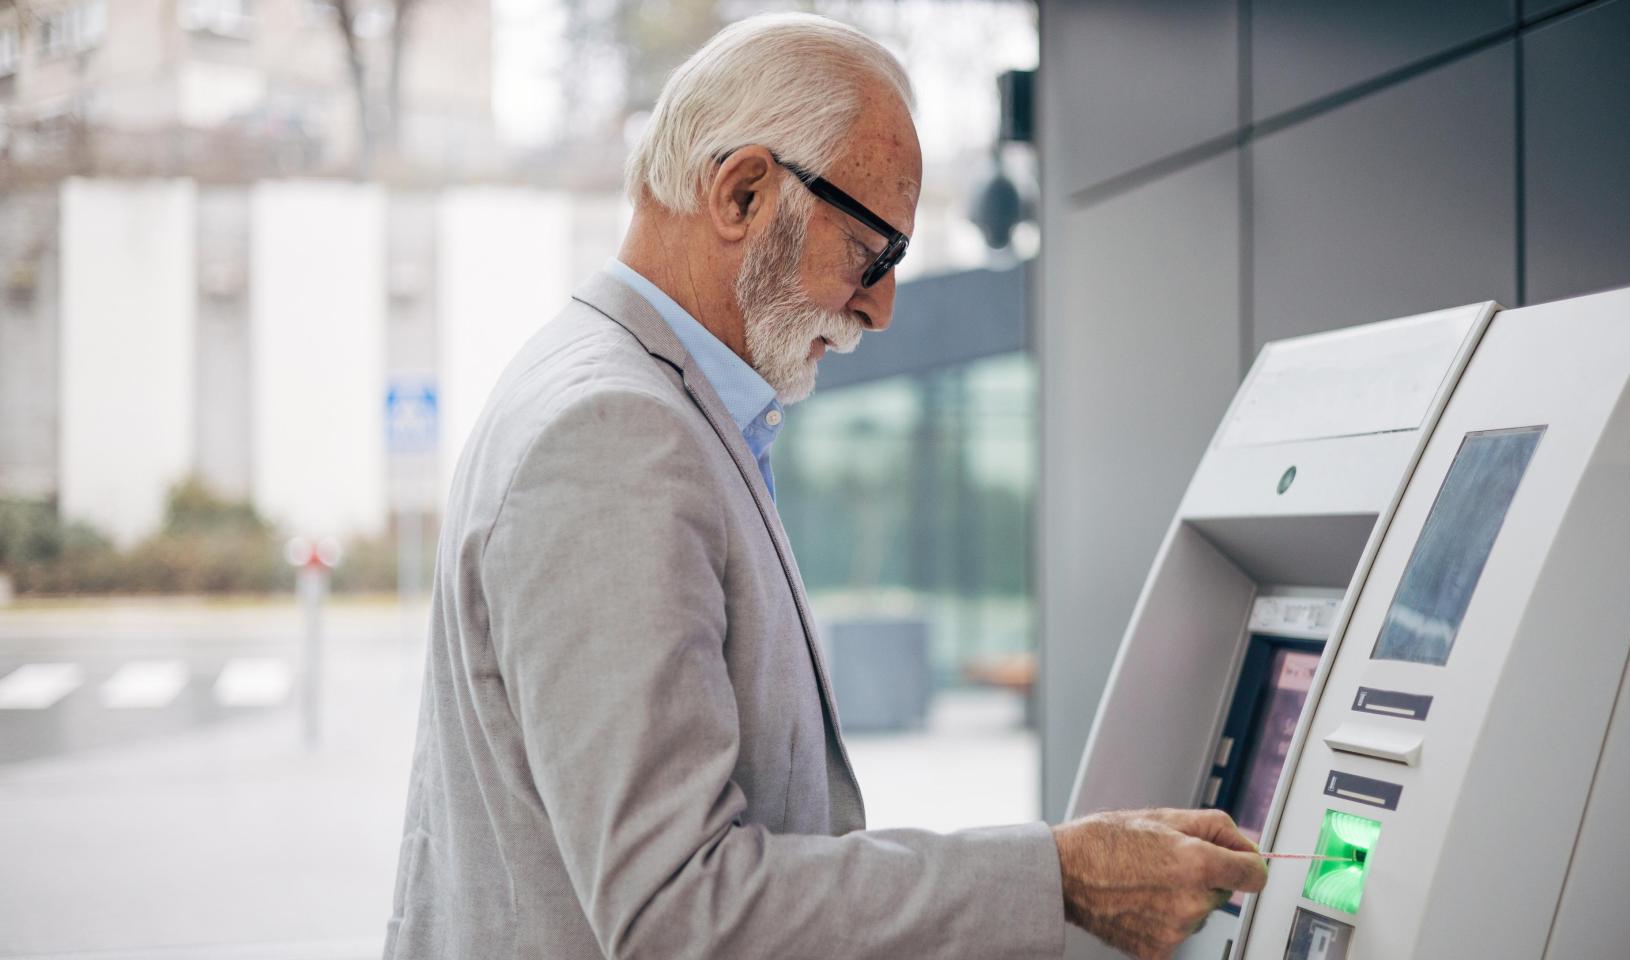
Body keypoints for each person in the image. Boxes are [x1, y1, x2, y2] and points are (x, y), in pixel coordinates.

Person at [382, 13, 1266, 960]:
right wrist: (1058, 876)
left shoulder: (623, 394)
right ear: (744, 190)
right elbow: (680, 911)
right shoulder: (615, 433)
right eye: (872, 253)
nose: (882, 307)